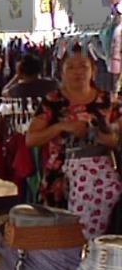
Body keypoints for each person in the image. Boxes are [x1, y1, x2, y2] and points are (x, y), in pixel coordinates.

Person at [26, 47, 119, 208]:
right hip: (59, 179)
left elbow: (117, 139)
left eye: (83, 66)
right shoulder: (53, 100)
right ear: (61, 72)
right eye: (71, 67)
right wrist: (61, 127)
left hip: (99, 180)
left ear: (93, 70)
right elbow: (31, 139)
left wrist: (107, 139)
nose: (78, 72)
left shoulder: (108, 101)